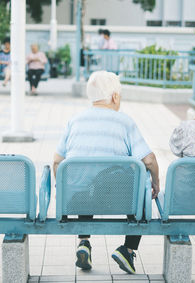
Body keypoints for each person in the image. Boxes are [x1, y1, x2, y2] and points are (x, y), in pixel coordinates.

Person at [53, 71, 160, 274]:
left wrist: (62, 187)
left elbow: (57, 161)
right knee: (140, 191)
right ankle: (127, 251)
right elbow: (149, 159)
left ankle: (84, 242)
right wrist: (155, 181)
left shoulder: (74, 121)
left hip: (77, 199)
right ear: (115, 97)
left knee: (87, 182)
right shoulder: (124, 122)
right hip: (118, 199)